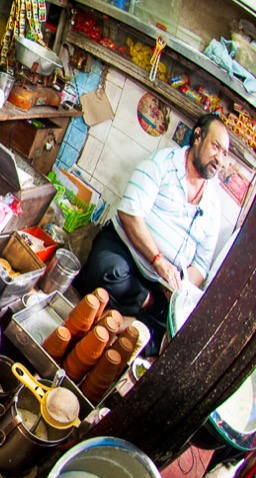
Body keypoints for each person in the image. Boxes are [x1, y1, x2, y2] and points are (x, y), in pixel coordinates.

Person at [76, 113, 229, 356]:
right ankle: (138, 315)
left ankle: (121, 319)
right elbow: (129, 214)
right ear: (198, 136)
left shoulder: (212, 206)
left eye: (224, 153)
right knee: (108, 270)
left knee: (179, 332)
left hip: (162, 286)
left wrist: (178, 287)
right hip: (125, 254)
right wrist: (158, 261)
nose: (219, 159)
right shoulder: (163, 164)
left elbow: (201, 265)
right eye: (216, 147)